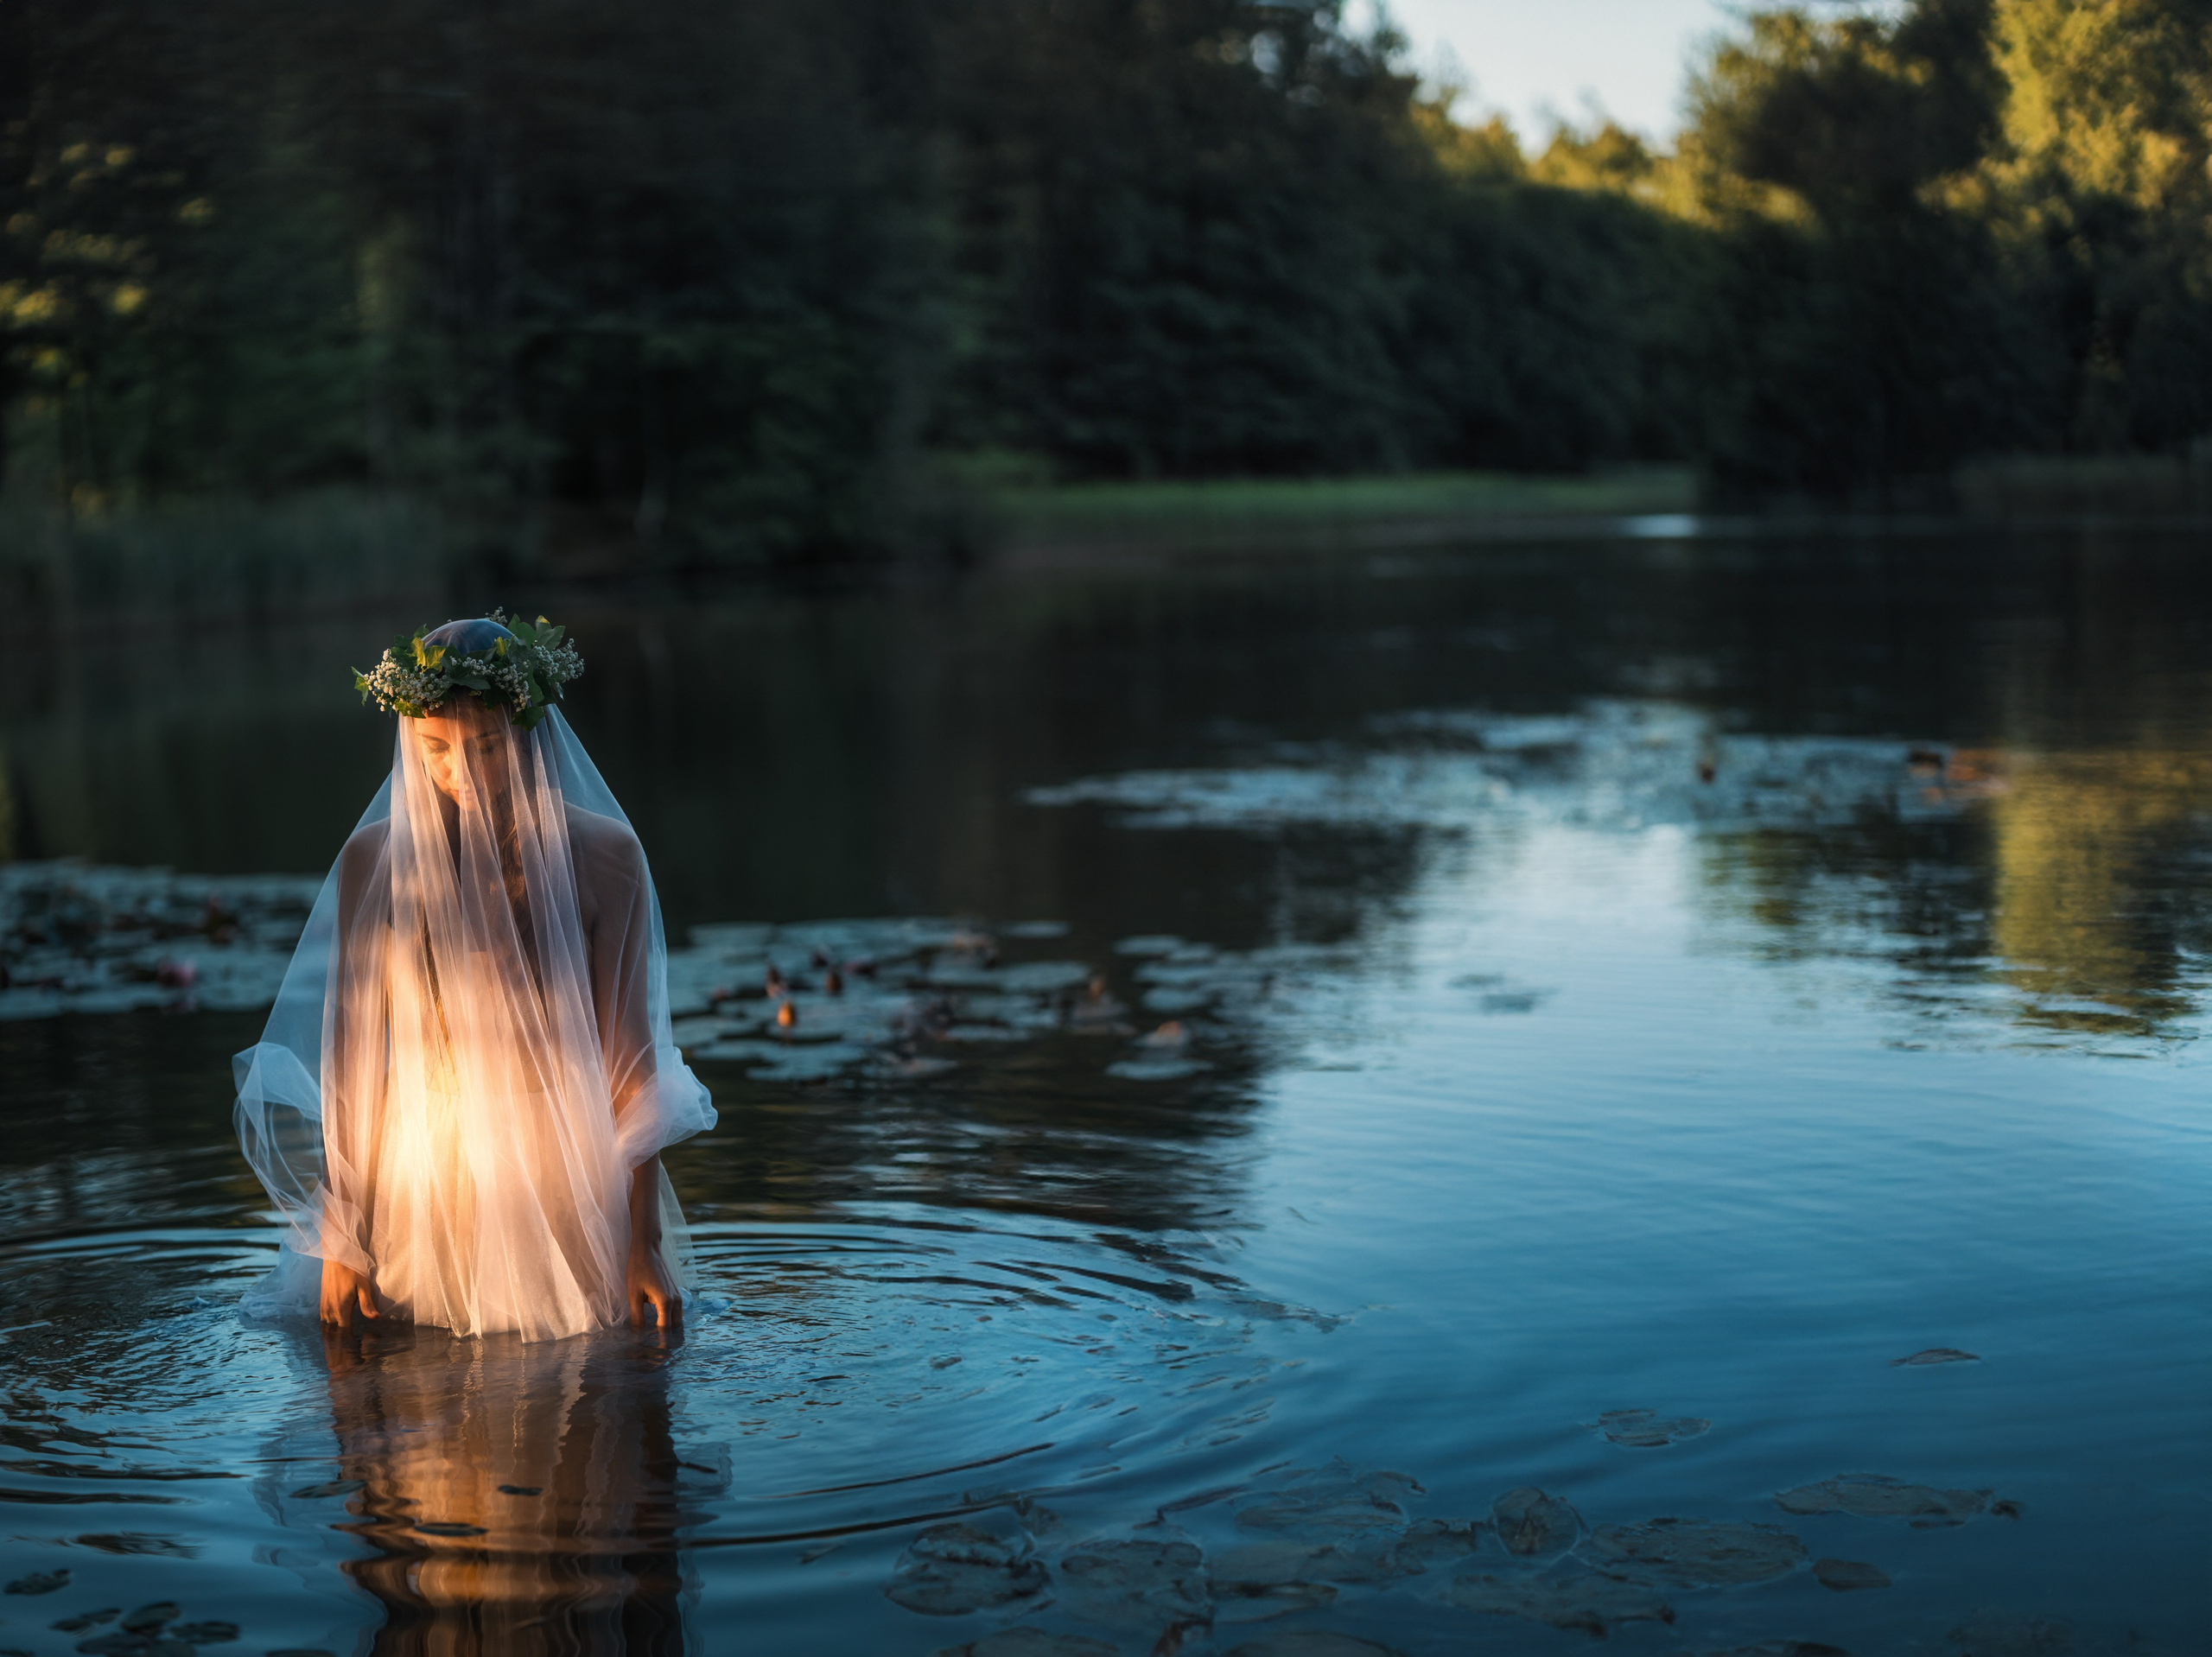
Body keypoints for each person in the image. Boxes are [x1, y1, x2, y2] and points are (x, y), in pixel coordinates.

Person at [235, 614, 715, 1340]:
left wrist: (639, 1238)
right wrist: (343, 1235)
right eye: (435, 750)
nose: (462, 773)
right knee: (408, 1415)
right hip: (420, 1170)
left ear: (528, 733)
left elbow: (633, 1067)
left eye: (486, 746)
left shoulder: (608, 859)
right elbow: (355, 1064)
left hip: (561, 1168)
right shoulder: (376, 862)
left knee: (592, 1394)